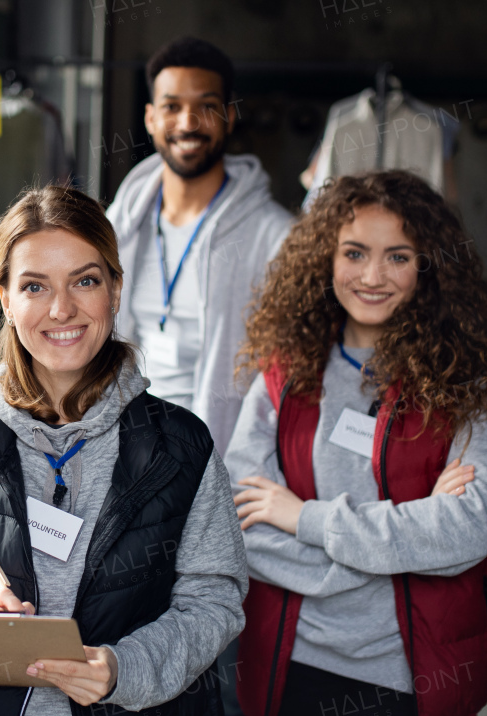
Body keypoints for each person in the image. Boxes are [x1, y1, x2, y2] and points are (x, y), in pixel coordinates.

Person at [0, 185, 248, 716]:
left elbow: (214, 599)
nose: (62, 309)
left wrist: (124, 668)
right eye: (35, 286)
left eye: (85, 280)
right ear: (6, 300)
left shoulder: (182, 445)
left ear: (116, 289)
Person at [227, 171, 487, 716]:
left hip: (409, 674)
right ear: (326, 259)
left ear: (429, 265)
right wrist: (403, 553)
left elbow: (468, 529)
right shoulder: (285, 373)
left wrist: (305, 519)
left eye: (398, 257)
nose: (371, 276)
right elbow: (240, 528)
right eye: (355, 252)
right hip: (291, 663)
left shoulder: (475, 382)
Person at [107, 36, 293, 452]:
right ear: (151, 118)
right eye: (172, 107)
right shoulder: (116, 227)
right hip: (125, 443)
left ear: (229, 116)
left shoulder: (276, 236)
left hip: (219, 452)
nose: (188, 122)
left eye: (206, 106)